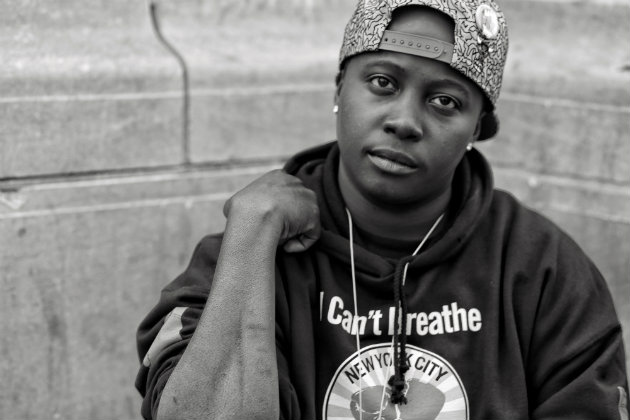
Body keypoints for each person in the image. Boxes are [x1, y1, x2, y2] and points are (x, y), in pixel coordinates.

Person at [135, 0, 629, 419]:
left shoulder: (545, 270)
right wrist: (252, 231)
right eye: (382, 82)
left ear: (477, 129)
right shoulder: (240, 260)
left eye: (444, 101)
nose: (404, 121)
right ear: (338, 90)